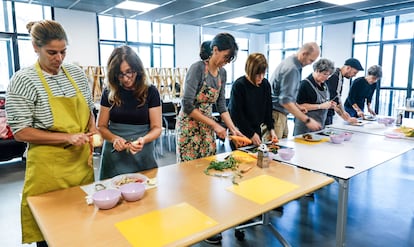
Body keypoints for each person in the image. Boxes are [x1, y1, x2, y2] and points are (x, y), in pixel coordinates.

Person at [5, 20, 97, 247]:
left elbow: (87, 110)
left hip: (80, 165)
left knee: (81, 226)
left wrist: (92, 130)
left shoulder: (75, 74)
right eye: (52, 52)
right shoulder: (24, 80)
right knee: (51, 231)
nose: (59, 58)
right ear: (35, 48)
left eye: (63, 51)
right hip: (48, 169)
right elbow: (20, 131)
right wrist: (66, 137)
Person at [176, 34, 243, 244]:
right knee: (189, 175)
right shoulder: (198, 69)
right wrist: (214, 125)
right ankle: (188, 222)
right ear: (214, 50)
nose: (225, 62)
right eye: (224, 56)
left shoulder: (221, 73)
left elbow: (222, 106)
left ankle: (205, 221)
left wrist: (233, 128)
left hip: (206, 129)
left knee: (206, 173)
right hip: (190, 126)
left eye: (229, 59)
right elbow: (187, 105)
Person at [97, 45, 162, 180]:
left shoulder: (151, 91)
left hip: (142, 153)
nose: (126, 78)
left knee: (145, 194)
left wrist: (143, 140)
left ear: (137, 69)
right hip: (114, 156)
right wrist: (114, 138)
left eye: (129, 72)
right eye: (120, 75)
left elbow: (157, 128)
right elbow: (101, 126)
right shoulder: (109, 92)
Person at [270, 42, 322, 139]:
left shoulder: (292, 63)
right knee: (273, 149)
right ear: (304, 54)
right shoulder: (292, 68)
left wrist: (297, 106)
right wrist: (307, 120)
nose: (310, 64)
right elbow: (285, 101)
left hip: (280, 114)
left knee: (282, 145)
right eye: (311, 60)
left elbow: (285, 93)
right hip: (276, 114)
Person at [228, 53, 277, 146]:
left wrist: (272, 130)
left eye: (263, 73)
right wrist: (251, 134)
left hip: (257, 131)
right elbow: (236, 115)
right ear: (250, 71)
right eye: (258, 74)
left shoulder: (265, 84)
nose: (261, 77)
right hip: (240, 133)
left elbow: (268, 110)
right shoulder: (239, 86)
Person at [294, 58, 336, 135]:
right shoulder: (304, 84)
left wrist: (329, 105)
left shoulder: (324, 84)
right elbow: (299, 106)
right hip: (305, 128)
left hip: (319, 126)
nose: (327, 78)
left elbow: (324, 102)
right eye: (325, 74)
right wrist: (320, 106)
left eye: (329, 75)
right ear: (317, 70)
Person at [325, 58, 364, 125]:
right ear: (348, 68)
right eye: (354, 73)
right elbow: (334, 100)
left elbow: (337, 97)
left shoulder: (340, 76)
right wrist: (346, 118)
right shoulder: (335, 76)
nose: (355, 75)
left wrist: (344, 112)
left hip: (328, 111)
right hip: (324, 112)